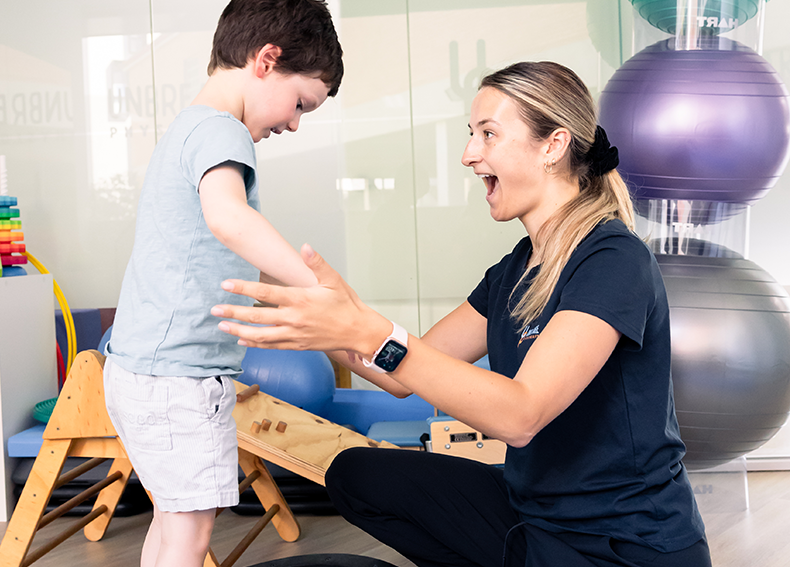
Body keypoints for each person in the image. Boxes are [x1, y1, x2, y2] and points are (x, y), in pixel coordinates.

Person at [210, 61, 712, 567]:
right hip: (535, 518)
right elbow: (401, 374)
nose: (470, 155)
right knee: (357, 476)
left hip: (622, 545)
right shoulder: (512, 270)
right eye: (471, 135)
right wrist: (323, 311)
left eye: (488, 134)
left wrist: (370, 331)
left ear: (553, 146)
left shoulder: (612, 259)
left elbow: (521, 415)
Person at [102, 2, 342, 566]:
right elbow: (229, 220)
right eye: (301, 103)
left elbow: (221, 249)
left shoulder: (189, 128)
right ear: (266, 61)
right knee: (190, 538)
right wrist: (322, 286)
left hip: (141, 370)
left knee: (171, 525)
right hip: (178, 379)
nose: (294, 123)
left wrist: (304, 307)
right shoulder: (221, 131)